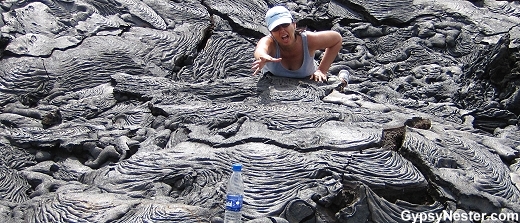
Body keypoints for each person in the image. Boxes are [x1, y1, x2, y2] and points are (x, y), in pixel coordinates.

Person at [252, 6, 342, 82]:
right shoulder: (270, 42)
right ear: (271, 32)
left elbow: (336, 39)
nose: (282, 30)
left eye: (285, 24)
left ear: (294, 25)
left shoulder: (309, 40)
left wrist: (322, 70)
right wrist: (263, 56)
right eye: (276, 28)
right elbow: (260, 49)